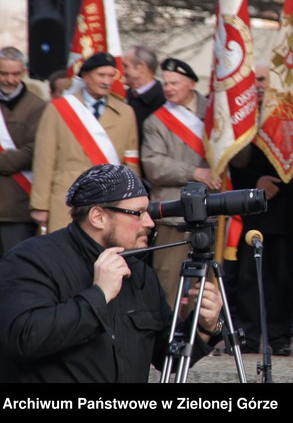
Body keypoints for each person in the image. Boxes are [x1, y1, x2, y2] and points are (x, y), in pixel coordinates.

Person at [0, 164, 223, 383]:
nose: (149, 222)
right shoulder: (32, 259)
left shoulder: (140, 272)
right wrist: (99, 294)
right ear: (98, 217)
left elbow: (168, 357)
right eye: (138, 213)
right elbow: (23, 340)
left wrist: (204, 326)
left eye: (148, 211)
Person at [30, 51, 140, 233]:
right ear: (86, 76)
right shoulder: (58, 109)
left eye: (111, 76)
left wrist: (132, 198)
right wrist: (40, 204)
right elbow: (44, 159)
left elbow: (131, 160)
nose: (107, 81)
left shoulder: (126, 112)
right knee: (64, 254)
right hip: (66, 195)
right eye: (101, 75)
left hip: (109, 197)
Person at [229, 62, 293, 357]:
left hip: (282, 204)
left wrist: (277, 183)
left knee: (281, 276)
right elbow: (230, 161)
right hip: (247, 204)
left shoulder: (289, 115)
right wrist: (254, 182)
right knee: (247, 276)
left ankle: (279, 334)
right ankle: (248, 332)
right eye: (253, 80)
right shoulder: (240, 117)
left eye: (263, 80)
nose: (257, 85)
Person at [141, 57, 220, 308]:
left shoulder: (216, 113)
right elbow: (153, 164)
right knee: (168, 282)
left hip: (213, 212)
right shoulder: (156, 121)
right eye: (165, 83)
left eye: (174, 83)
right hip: (173, 216)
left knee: (209, 286)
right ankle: (167, 340)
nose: (168, 88)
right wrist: (193, 172)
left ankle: (205, 337)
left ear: (191, 83)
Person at [0, 47, 46, 256]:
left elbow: (33, 152)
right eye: (4, 73)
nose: (10, 79)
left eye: (15, 74)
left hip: (17, 208)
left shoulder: (37, 106)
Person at [122, 45, 166, 152]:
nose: (121, 71)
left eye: (126, 66)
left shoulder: (163, 100)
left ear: (142, 67)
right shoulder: (121, 97)